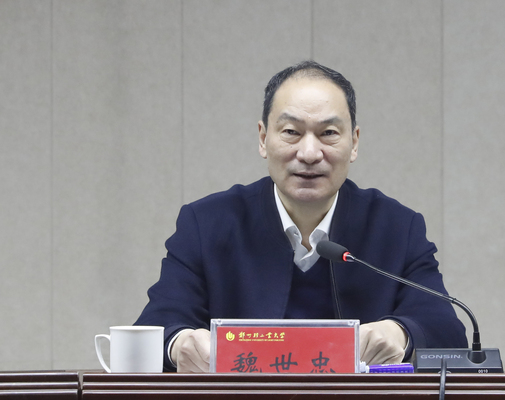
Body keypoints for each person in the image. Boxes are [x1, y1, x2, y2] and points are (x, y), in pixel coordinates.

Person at [135, 60, 468, 372]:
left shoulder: (397, 227)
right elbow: (157, 325)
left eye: (329, 133)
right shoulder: (206, 224)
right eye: (291, 132)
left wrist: (400, 333)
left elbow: (447, 332)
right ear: (263, 139)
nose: (309, 153)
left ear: (354, 143)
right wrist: (180, 344)